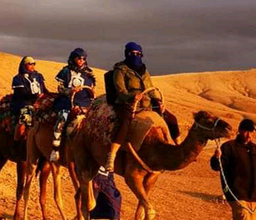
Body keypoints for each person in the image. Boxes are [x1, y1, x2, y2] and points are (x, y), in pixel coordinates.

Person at [104, 42, 180, 172]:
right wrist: (131, 97)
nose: (136, 56)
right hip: (126, 103)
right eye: (133, 53)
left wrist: (157, 101)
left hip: (146, 103)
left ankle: (178, 148)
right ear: (127, 54)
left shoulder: (144, 71)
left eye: (138, 54)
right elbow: (120, 91)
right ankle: (111, 156)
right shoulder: (121, 70)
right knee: (124, 124)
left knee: (171, 119)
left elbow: (150, 90)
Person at [50, 48, 96, 162]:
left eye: (83, 58)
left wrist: (92, 91)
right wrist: (70, 91)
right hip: (67, 102)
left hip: (85, 103)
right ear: (73, 58)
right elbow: (60, 88)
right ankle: (55, 149)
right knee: (62, 119)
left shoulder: (89, 73)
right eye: (79, 58)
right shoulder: (66, 71)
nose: (81, 60)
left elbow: (93, 87)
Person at [10, 56, 48, 140]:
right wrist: (35, 96)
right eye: (29, 64)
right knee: (24, 122)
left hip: (40, 103)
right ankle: (17, 142)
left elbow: (44, 89)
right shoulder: (18, 78)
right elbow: (20, 93)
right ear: (24, 65)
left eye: (33, 64)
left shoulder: (38, 76)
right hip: (24, 103)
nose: (32, 66)